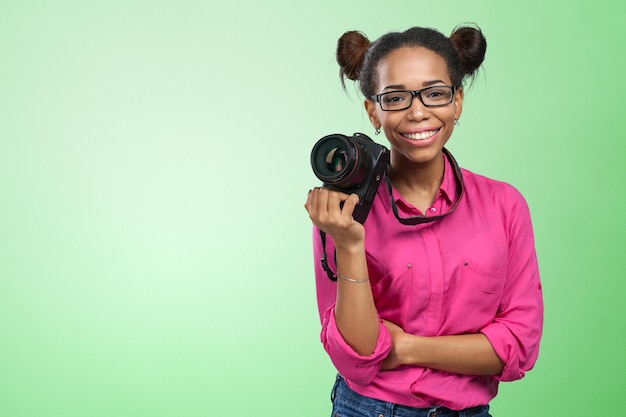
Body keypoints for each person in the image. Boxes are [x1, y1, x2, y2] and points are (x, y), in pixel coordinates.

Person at [304, 25, 543, 417]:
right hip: (369, 409)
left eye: (435, 93)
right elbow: (358, 358)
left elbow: (518, 346)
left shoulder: (505, 205)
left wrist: (405, 347)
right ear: (373, 112)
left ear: (458, 102)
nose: (418, 112)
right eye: (396, 98)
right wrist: (348, 244)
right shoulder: (345, 211)